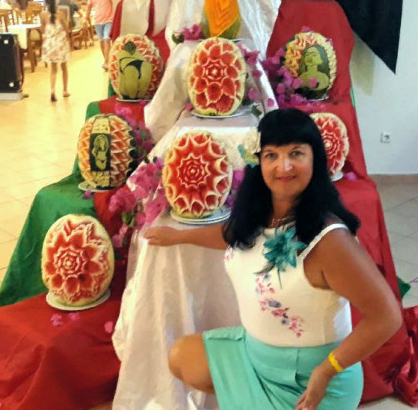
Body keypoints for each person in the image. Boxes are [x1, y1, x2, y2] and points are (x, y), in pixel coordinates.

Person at [144, 108, 403, 410]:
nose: (284, 166)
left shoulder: (330, 240)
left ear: (315, 158)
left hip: (313, 380)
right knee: (182, 357)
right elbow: (234, 235)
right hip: (255, 356)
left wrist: (326, 370)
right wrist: (178, 236)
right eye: (271, 155)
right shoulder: (261, 214)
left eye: (296, 153)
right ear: (258, 161)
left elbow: (387, 317)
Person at [40, 0, 70, 102]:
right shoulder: (60, 14)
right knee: (64, 67)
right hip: (60, 43)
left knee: (53, 69)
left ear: (45, 2)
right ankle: (65, 90)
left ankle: (52, 90)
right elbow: (66, 28)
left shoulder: (43, 15)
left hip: (50, 44)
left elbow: (42, 29)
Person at [85, 0, 113, 70]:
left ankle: (106, 62)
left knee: (106, 39)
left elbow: (114, 3)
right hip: (98, 21)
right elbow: (89, 6)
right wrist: (86, 18)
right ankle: (107, 61)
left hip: (109, 20)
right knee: (101, 41)